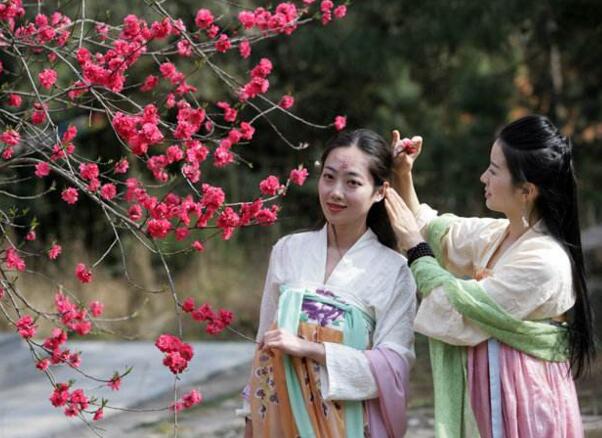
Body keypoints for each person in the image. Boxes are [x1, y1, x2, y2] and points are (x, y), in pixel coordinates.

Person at [384, 114, 594, 437]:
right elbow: (435, 232)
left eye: (494, 171)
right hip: (492, 398)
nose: (483, 177)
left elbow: (459, 306)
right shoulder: (501, 234)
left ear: (526, 190)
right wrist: (403, 175)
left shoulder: (546, 261)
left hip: (527, 404)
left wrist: (415, 249)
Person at [241, 129, 416, 437]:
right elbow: (264, 345)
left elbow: (393, 367)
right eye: (329, 177)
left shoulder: (394, 270)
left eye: (352, 183)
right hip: (280, 421)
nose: (335, 192)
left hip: (351, 425)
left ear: (379, 191)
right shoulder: (288, 250)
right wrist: (250, 418)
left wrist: (311, 349)